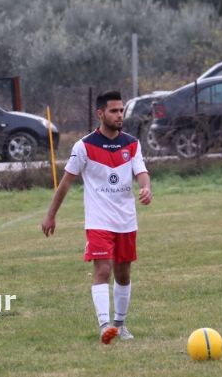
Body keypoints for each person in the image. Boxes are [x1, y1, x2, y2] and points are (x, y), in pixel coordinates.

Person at [41, 90, 152, 345]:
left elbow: (142, 172)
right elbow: (65, 183)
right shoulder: (84, 146)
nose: (119, 115)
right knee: (103, 269)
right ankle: (105, 326)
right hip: (99, 221)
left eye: (121, 110)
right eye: (114, 111)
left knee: (123, 274)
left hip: (126, 220)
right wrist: (51, 215)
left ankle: (120, 325)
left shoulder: (132, 144)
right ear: (100, 114)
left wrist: (146, 188)